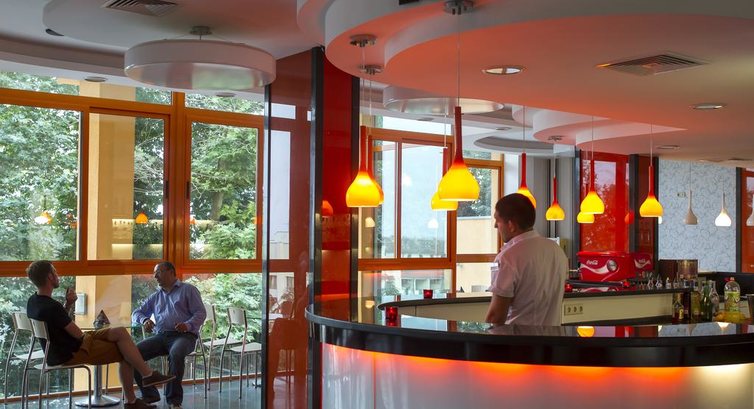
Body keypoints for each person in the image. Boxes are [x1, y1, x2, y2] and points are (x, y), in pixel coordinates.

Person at [25, 261, 174, 409]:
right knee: (126, 352)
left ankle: (147, 375)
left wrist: (68, 304)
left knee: (120, 331)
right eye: (55, 272)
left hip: (56, 351)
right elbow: (78, 334)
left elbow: (58, 322)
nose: (58, 275)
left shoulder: (33, 301)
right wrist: (94, 337)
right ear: (50, 277)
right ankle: (132, 400)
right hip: (71, 352)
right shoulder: (52, 306)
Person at [485, 193, 568, 326]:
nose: (495, 226)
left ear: (511, 225)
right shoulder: (557, 251)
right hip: (552, 336)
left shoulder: (508, 257)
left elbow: (496, 315)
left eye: (497, 220)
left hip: (518, 336)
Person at [132, 262, 206, 409]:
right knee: (133, 353)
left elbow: (200, 313)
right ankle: (150, 394)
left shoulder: (188, 290)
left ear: (171, 272)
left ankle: (174, 401)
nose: (155, 276)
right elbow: (136, 313)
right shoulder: (156, 296)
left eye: (158, 272)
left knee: (176, 353)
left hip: (184, 336)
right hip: (161, 336)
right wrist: (145, 320)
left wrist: (187, 325)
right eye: (154, 273)